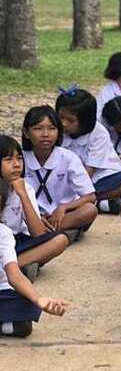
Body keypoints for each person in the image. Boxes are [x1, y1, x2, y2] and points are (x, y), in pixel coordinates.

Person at [56, 88, 121, 215]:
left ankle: (84, 202)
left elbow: (88, 173)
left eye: (71, 120)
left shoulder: (99, 133)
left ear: (85, 121)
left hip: (97, 178)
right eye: (60, 117)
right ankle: (101, 204)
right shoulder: (55, 130)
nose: (63, 123)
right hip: (65, 180)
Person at [21, 106, 97, 243]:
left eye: (52, 128)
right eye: (38, 128)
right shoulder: (19, 159)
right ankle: (57, 232)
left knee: (89, 210)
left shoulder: (68, 157)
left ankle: (42, 233)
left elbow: (90, 196)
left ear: (59, 132)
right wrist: (35, 217)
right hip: (29, 215)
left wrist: (63, 208)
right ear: (26, 133)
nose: (45, 134)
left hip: (62, 215)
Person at [0, 135, 68, 281]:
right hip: (2, 242)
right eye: (8, 160)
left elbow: (38, 233)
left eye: (19, 158)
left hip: (16, 241)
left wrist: (23, 195)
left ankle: (12, 269)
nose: (16, 164)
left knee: (60, 240)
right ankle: (18, 269)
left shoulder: (25, 188)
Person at [0, 219, 68, 338]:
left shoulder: (3, 233)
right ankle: (5, 324)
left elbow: (15, 275)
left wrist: (38, 299)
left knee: (26, 306)